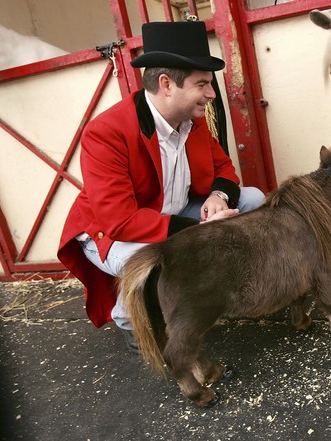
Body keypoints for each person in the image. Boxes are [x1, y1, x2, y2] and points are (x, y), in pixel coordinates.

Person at [57, 21, 265, 353]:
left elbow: (224, 167)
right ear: (167, 84)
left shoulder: (191, 122)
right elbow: (120, 221)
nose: (211, 94)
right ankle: (131, 321)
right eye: (203, 84)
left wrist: (217, 195)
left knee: (253, 198)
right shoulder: (106, 132)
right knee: (151, 260)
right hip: (111, 233)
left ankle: (221, 291)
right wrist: (200, 228)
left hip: (172, 214)